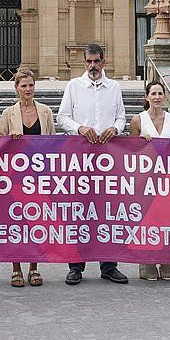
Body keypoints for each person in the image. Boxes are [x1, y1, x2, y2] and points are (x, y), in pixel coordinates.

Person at [57, 43, 129, 285]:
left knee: (108, 211)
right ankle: (76, 265)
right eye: (88, 62)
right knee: (79, 211)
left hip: (108, 159)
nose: (92, 66)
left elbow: (121, 117)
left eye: (96, 61)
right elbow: (62, 116)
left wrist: (115, 128)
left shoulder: (114, 87)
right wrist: (80, 128)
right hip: (80, 158)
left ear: (103, 61)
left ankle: (109, 265)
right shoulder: (74, 86)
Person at [0, 68, 55, 288]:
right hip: (15, 176)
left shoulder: (46, 111)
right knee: (16, 222)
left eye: (31, 85)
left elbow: (53, 141)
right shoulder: (8, 113)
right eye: (23, 86)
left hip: (38, 175)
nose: (28, 89)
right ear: (16, 89)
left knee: (36, 221)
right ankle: (16, 268)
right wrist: (11, 139)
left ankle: (34, 267)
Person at [129, 80, 170, 281]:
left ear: (165, 96)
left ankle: (168, 265)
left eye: (160, 93)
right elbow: (130, 151)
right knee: (147, 221)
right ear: (147, 97)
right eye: (154, 93)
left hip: (168, 180)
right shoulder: (138, 120)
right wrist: (141, 143)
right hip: (146, 180)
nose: (157, 97)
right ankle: (147, 265)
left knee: (169, 222)